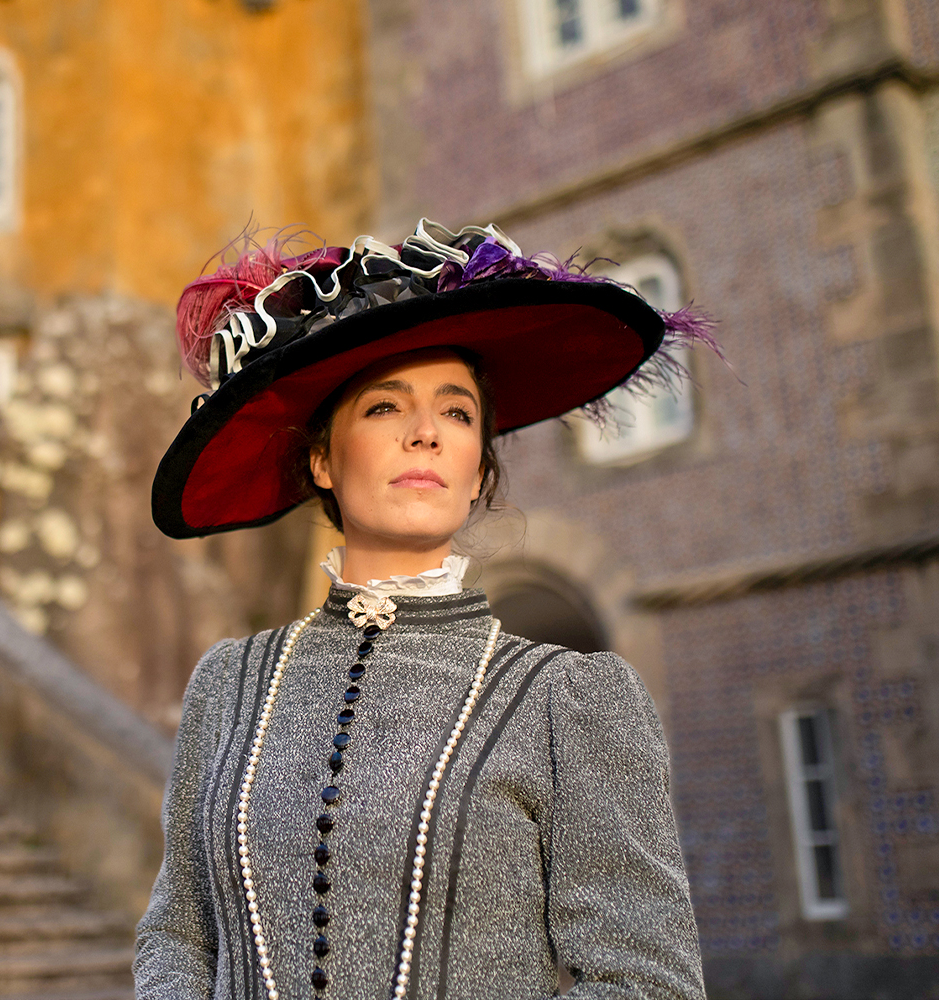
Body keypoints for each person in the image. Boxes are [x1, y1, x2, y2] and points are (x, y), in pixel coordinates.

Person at [135, 221, 718, 1000]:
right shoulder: (228, 686)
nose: (425, 435)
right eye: (384, 409)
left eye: (457, 413)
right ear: (321, 459)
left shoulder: (570, 702)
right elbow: (178, 933)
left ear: (479, 471)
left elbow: (646, 982)